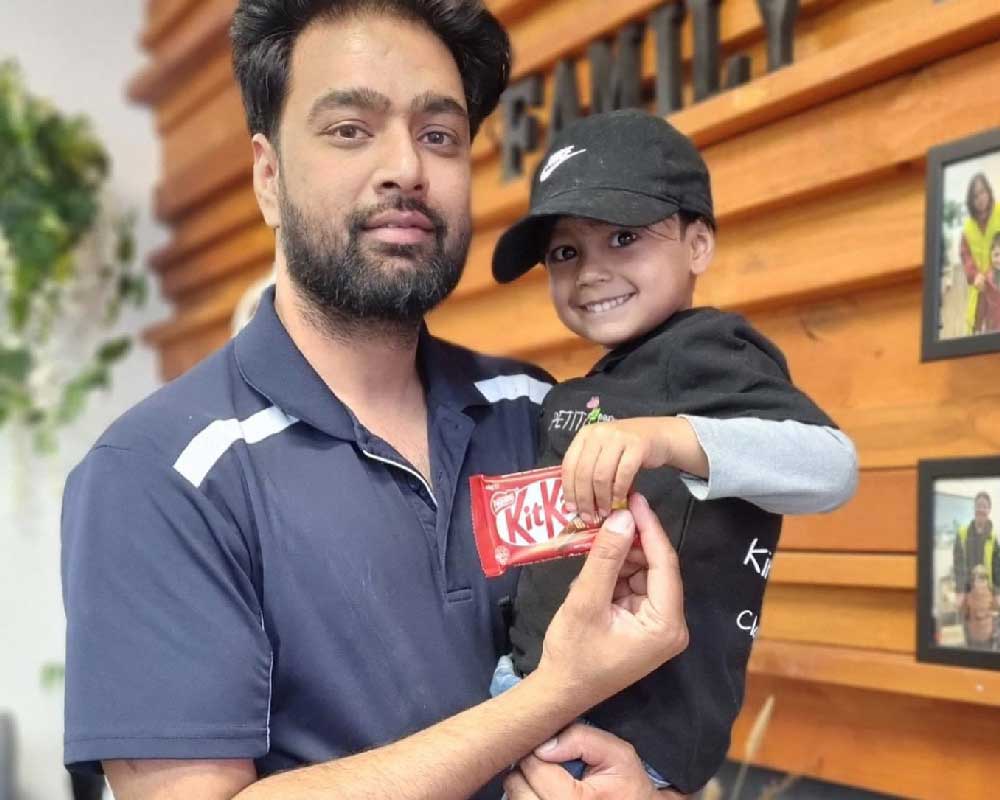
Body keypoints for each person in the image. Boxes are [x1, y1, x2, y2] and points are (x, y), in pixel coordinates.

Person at [60, 3, 689, 799]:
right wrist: (548, 697)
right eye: (351, 129)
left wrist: (650, 787)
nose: (408, 169)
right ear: (268, 177)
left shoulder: (541, 413)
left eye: (440, 136)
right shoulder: (159, 474)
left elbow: (638, 683)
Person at [489, 109, 858, 795]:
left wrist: (666, 436)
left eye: (623, 237)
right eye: (565, 252)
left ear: (697, 245)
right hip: (529, 693)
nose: (591, 272)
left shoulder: (711, 351)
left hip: (633, 728)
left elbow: (833, 466)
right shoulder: (589, 386)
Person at [960, 173, 1000, 335]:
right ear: (971, 200)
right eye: (975, 195)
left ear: (989, 192)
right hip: (980, 292)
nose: (980, 198)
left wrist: (992, 273)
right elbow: (965, 256)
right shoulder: (967, 228)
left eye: (982, 192)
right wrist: (975, 275)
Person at [953, 492, 999, 608]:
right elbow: (958, 565)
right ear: (974, 508)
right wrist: (960, 590)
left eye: (985, 506)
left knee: (987, 623)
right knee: (968, 624)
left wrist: (997, 592)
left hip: (986, 592)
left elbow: (997, 568)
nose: (981, 509)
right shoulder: (962, 533)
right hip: (968, 592)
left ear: (989, 510)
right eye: (979, 505)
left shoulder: (993, 538)